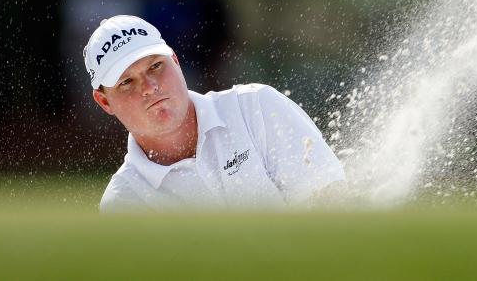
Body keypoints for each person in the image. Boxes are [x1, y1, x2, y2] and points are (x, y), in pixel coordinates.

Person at [83, 15, 345, 212]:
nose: (150, 88)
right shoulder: (124, 203)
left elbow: (330, 208)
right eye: (126, 82)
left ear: (175, 60)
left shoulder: (256, 106)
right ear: (104, 102)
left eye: (155, 66)